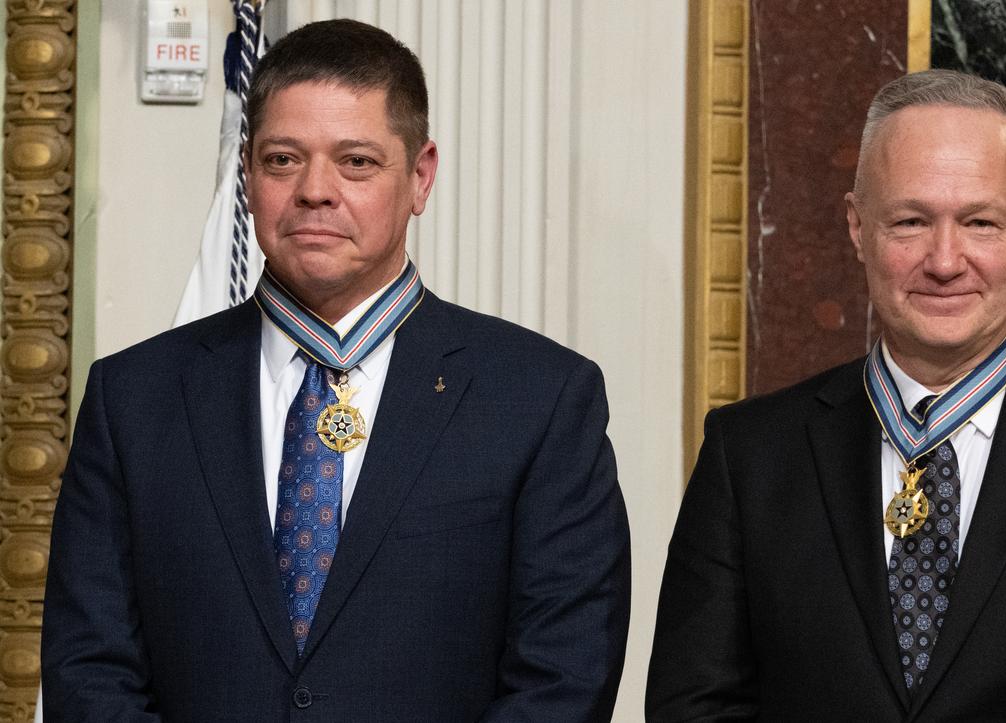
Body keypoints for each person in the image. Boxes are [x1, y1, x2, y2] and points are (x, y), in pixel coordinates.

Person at [42, 19, 629, 721]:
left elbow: (562, 678)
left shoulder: (539, 400)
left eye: (355, 162)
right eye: (284, 159)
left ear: (420, 176)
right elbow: (88, 667)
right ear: (249, 175)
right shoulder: (133, 399)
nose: (315, 190)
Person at [646, 69, 1006, 720]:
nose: (945, 261)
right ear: (858, 227)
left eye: (979, 222)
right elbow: (692, 708)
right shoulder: (747, 456)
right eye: (911, 221)